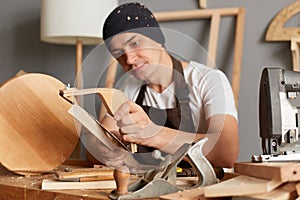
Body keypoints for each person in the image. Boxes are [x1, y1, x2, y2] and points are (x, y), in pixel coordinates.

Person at [89, 2, 238, 169]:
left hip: (200, 189)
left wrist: (152, 134)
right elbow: (96, 142)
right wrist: (103, 151)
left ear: (157, 39)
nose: (129, 59)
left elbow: (225, 152)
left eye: (135, 44)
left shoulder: (209, 80)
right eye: (118, 53)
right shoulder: (128, 88)